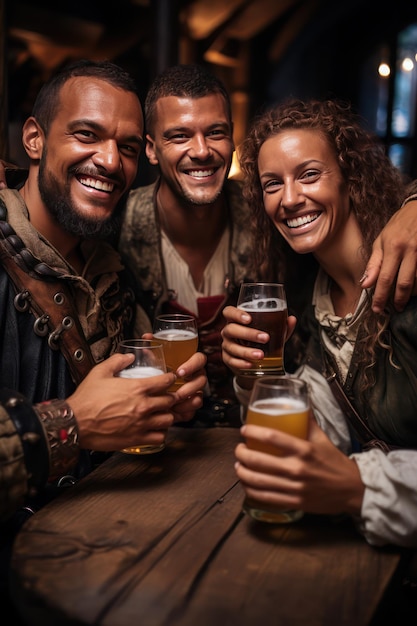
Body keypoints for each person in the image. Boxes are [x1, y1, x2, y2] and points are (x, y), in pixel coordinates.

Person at [0, 59, 208, 526]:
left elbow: (128, 415)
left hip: (105, 544)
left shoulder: (111, 269)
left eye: (128, 147)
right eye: (87, 135)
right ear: (35, 139)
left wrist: (166, 405)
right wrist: (69, 425)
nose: (111, 162)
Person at [221, 97, 417, 549]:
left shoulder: (408, 272)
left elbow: (341, 472)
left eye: (309, 174)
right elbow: (320, 437)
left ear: (350, 178)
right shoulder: (310, 300)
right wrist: (257, 378)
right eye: (273, 184)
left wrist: (359, 486)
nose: (290, 199)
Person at [118, 64, 257, 427]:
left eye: (216, 132)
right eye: (179, 136)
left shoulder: (267, 213)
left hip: (257, 428)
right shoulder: (116, 225)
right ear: (151, 149)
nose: (201, 151)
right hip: (161, 442)